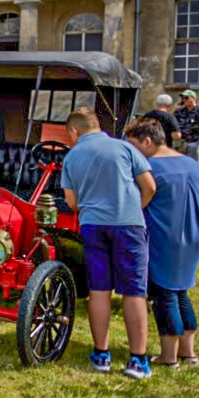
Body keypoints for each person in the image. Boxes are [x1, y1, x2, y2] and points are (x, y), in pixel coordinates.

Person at [61, 109, 156, 380]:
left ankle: (101, 354)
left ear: (74, 131)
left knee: (99, 290)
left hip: (92, 224)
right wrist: (134, 208)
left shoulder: (72, 157)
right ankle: (137, 360)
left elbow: (72, 203)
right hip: (129, 224)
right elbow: (149, 186)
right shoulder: (124, 148)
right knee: (134, 291)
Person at [125, 118, 199, 369]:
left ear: (147, 141)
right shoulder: (191, 164)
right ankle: (188, 353)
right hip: (193, 235)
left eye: (134, 146)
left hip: (164, 236)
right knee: (181, 292)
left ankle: (168, 356)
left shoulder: (150, 168)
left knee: (163, 294)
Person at [174, 90, 199, 163]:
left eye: (186, 98)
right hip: (180, 143)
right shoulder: (180, 111)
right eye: (182, 98)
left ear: (193, 98)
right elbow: (169, 120)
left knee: (192, 163)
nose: (184, 100)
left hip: (193, 142)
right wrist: (174, 108)